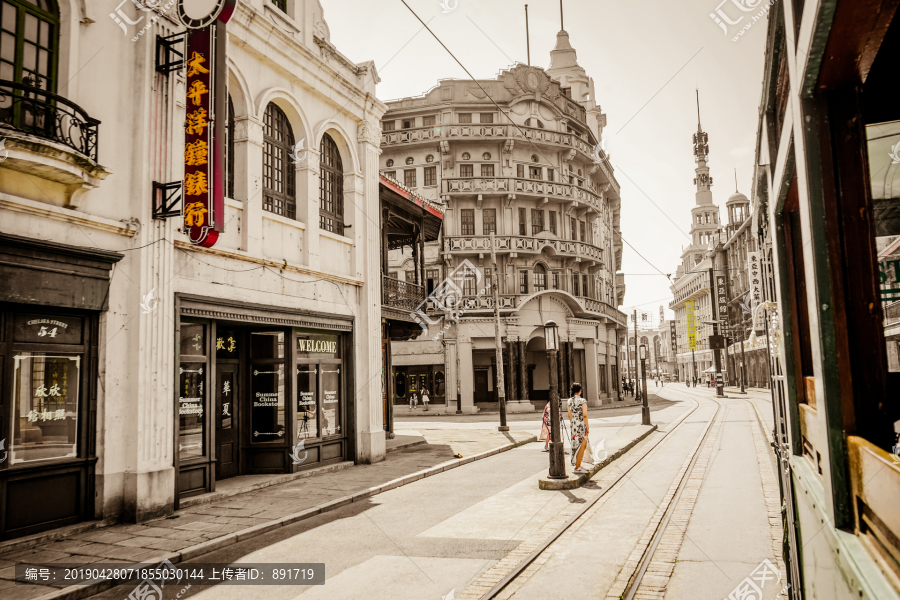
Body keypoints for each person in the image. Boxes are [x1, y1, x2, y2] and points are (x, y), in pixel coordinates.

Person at [567, 382, 590, 474]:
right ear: (580, 391)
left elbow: (569, 415)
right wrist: (587, 427)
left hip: (574, 426)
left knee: (575, 444)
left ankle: (577, 464)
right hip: (581, 425)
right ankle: (577, 467)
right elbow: (584, 415)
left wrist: (573, 424)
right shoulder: (582, 401)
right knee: (582, 445)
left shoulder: (569, 401)